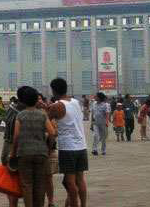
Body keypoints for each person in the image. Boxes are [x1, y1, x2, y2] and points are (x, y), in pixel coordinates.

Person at [10, 86, 56, 207]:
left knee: (27, 185)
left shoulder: (20, 116)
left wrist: (13, 154)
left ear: (23, 101)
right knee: (40, 184)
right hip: (41, 153)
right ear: (36, 100)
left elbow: (16, 137)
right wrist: (49, 148)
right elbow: (52, 133)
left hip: (24, 154)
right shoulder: (42, 115)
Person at [50, 78, 87, 207]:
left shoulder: (58, 105)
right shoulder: (76, 102)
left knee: (70, 182)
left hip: (68, 147)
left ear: (54, 90)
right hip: (81, 146)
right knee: (80, 180)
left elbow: (47, 117)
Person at [0, 87, 26, 207]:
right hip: (17, 149)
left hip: (8, 147)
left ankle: (12, 204)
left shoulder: (11, 109)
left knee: (11, 181)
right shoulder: (23, 114)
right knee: (21, 181)